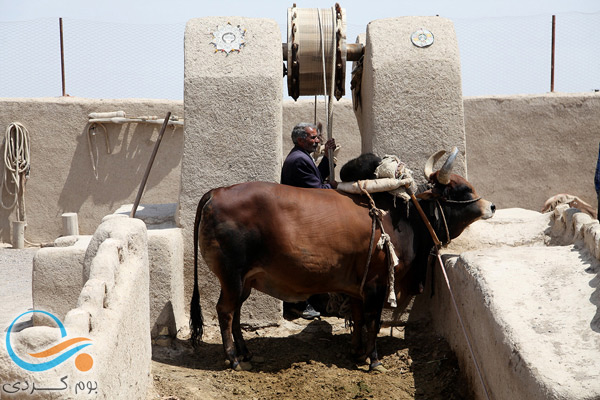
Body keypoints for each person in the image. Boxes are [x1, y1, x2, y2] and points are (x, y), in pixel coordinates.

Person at [280, 122, 338, 319]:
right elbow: (317, 192)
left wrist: (328, 158)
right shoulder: (298, 160)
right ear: (300, 140)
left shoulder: (302, 157)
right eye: (313, 138)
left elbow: (316, 177)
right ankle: (297, 305)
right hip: (299, 222)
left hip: (303, 219)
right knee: (301, 264)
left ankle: (311, 300)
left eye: (317, 137)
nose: (317, 141)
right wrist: (336, 187)